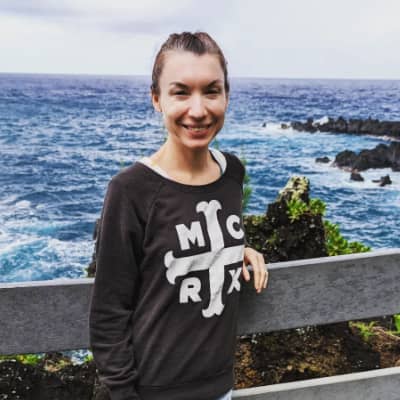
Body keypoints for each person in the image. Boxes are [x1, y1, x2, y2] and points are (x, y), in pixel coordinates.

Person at [89, 31, 269, 400]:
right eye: (181, 92)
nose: (198, 110)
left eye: (212, 91)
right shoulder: (131, 190)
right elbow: (108, 312)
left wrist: (236, 250)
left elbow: (199, 232)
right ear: (157, 99)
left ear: (227, 95)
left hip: (221, 388)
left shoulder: (232, 174)